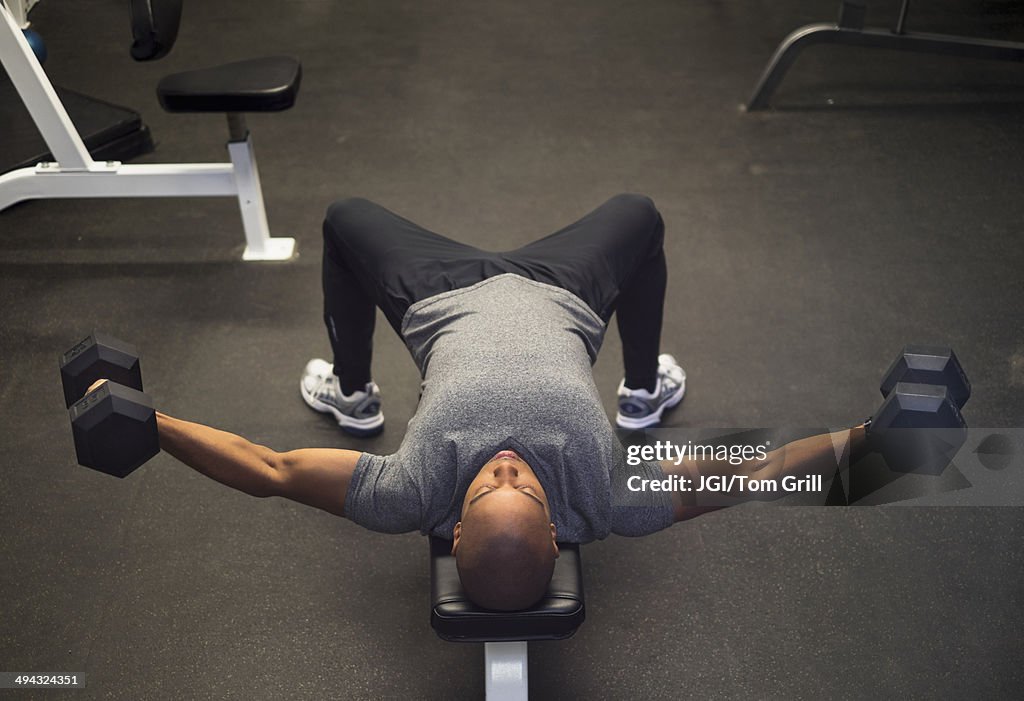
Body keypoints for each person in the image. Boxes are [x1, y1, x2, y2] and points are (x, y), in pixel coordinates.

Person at [150, 194, 865, 611]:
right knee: (641, 216)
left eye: (489, 484)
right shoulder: (611, 497)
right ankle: (643, 392)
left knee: (342, 220)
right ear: (558, 532)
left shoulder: (410, 491)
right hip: (566, 291)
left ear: (452, 530)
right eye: (519, 483)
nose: (504, 464)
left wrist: (151, 426)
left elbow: (268, 469)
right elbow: (757, 473)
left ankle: (353, 393)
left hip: (437, 294)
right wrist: (877, 439)